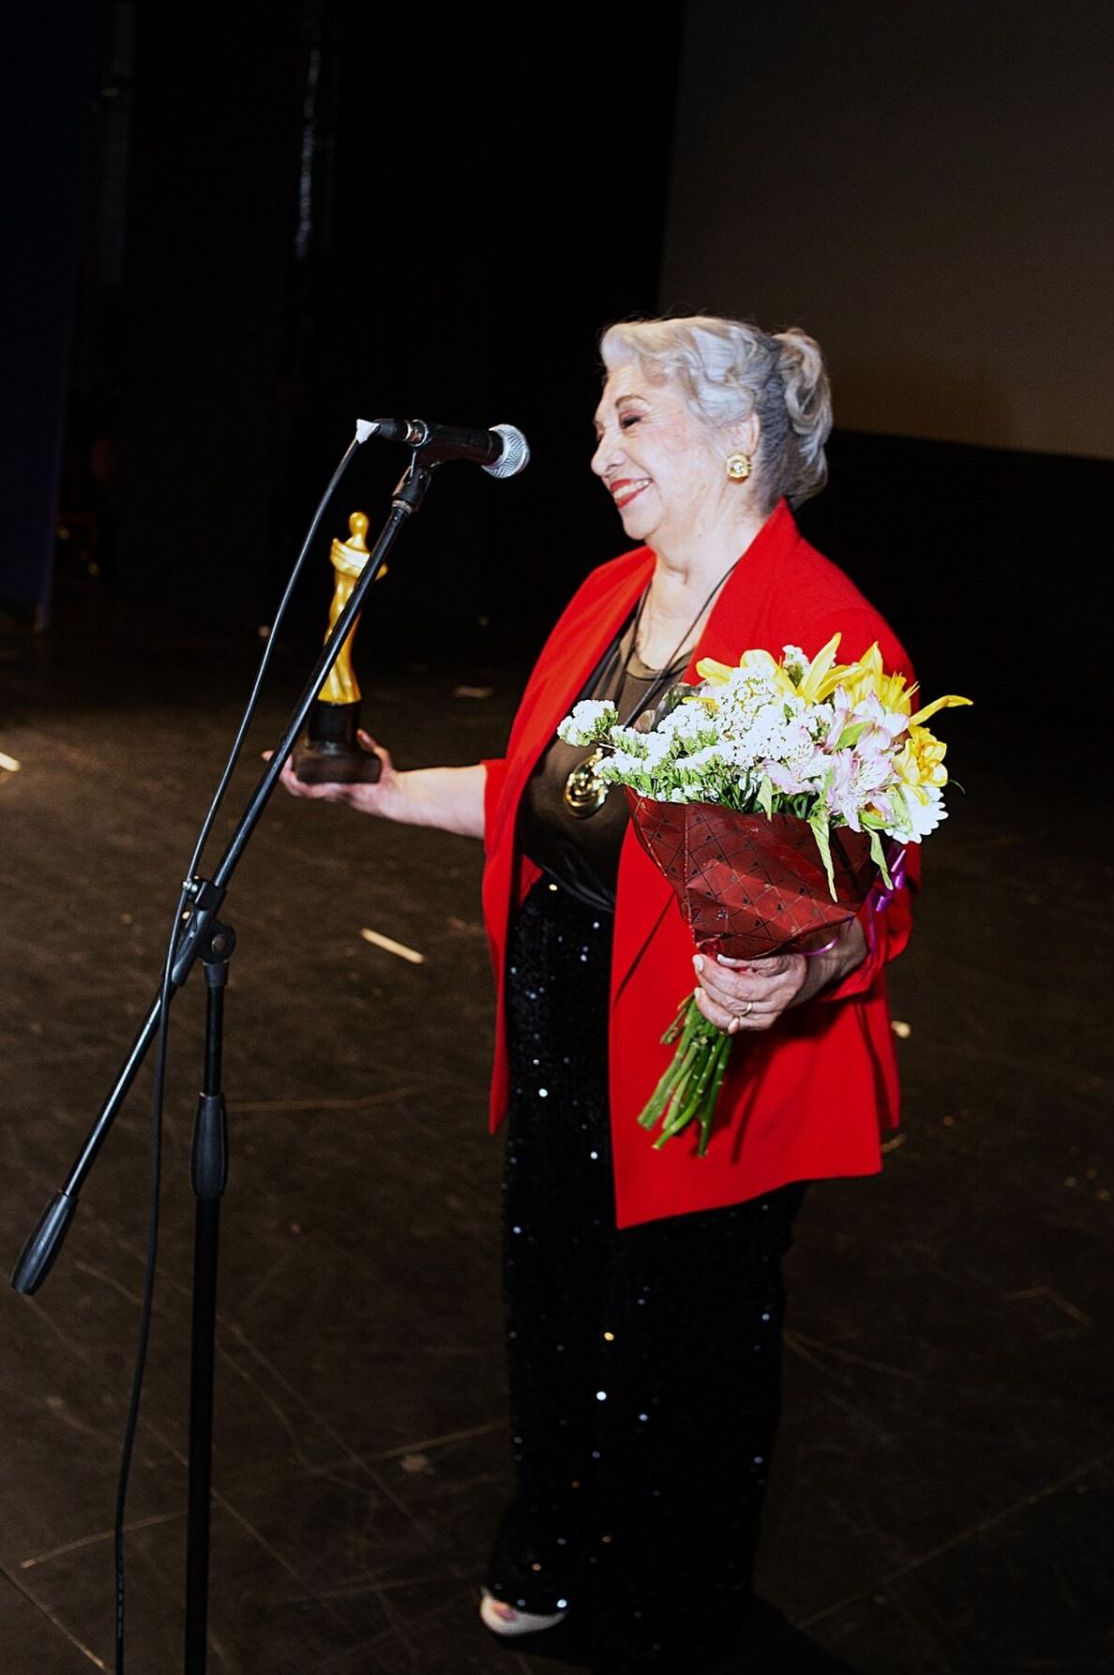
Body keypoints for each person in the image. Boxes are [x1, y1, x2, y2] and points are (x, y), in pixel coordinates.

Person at [279, 316, 917, 1672]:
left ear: (740, 444)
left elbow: (872, 905)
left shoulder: (828, 638)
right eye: (599, 420)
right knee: (557, 1300)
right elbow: (538, 800)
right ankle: (559, 1541)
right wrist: (384, 793)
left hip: (709, 1047)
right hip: (561, 1014)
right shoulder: (603, 600)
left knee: (683, 1357)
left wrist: (792, 968)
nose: (596, 450)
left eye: (630, 420)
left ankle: (669, 1614)